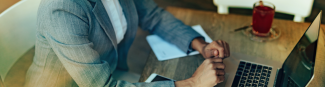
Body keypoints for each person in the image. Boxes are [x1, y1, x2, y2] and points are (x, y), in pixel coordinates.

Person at [24, 0, 230, 86]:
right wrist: (191, 83)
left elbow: (154, 16)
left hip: (111, 72)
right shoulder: (62, 9)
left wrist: (199, 44)